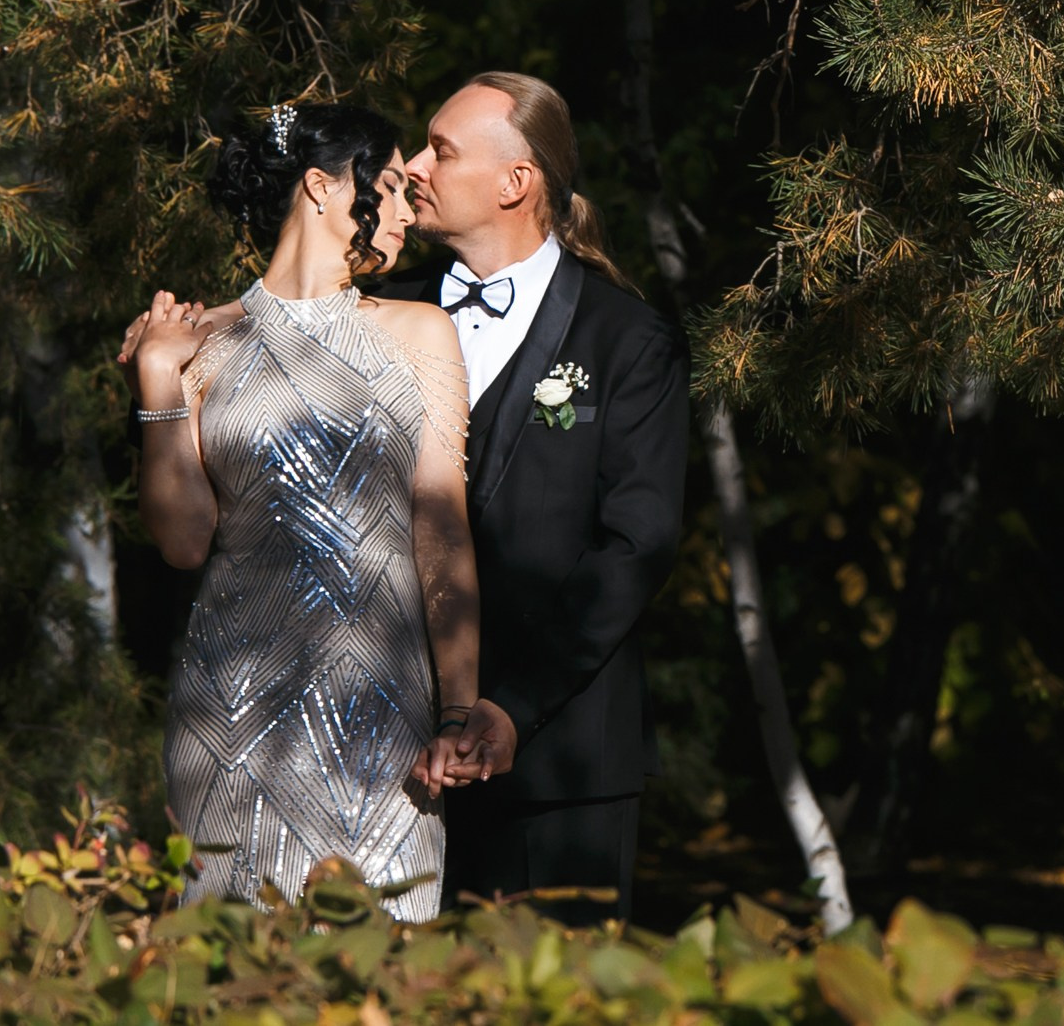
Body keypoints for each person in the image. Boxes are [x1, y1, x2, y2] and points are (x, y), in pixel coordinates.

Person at [117, 102, 484, 921]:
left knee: (382, 971)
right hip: (232, 714)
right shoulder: (200, 342)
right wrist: (155, 379)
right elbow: (183, 541)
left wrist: (458, 707)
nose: (403, 210)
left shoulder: (421, 333)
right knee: (234, 978)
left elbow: (441, 530)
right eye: (387, 186)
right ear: (321, 187)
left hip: (384, 716)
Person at [382, 72, 689, 924]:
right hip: (384, 765)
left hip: (560, 770)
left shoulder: (627, 340)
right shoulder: (378, 317)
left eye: (439, 149)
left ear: (517, 182)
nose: (411, 165)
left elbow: (637, 545)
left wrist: (513, 706)